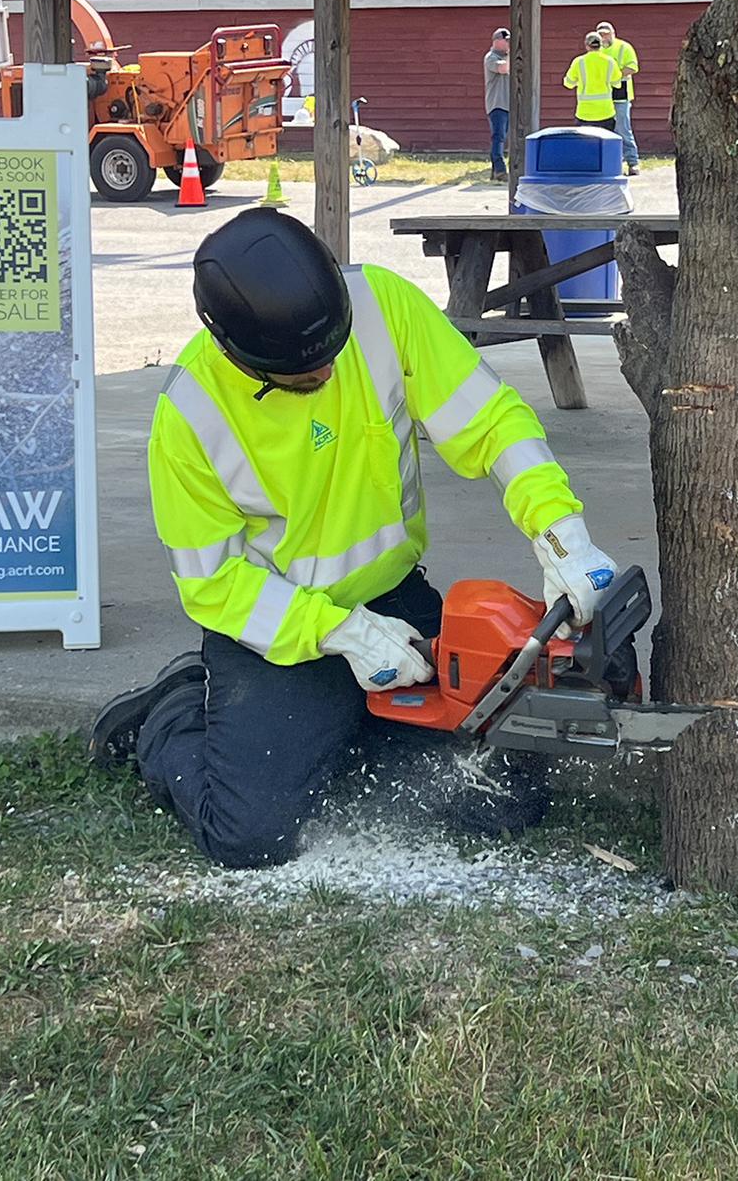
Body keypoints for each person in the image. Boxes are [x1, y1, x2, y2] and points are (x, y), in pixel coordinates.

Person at [89, 209, 626, 868]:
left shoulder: (380, 305)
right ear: (236, 352)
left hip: (393, 598)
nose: (327, 373)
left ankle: (341, 723)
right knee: (251, 835)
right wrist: (340, 634)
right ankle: (171, 713)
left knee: (500, 800)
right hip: (279, 632)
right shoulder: (190, 417)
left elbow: (490, 421)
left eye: (332, 352)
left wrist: (558, 527)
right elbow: (214, 583)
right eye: (304, 371)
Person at [595, 21, 640, 176]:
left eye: (606, 33)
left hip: (621, 94)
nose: (604, 37)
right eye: (601, 34)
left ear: (613, 33)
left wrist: (614, 75)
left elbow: (633, 68)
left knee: (622, 129)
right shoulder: (596, 51)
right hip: (602, 96)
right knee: (604, 130)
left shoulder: (623, 47)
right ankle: (610, 163)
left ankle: (632, 161)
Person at [563, 31, 620, 128]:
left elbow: (568, 83)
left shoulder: (578, 62)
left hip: (584, 113)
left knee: (585, 143)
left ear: (586, 45)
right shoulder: (610, 61)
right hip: (605, 112)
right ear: (601, 45)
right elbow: (617, 84)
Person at [483, 28, 511, 181]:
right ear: (497, 41)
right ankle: (499, 169)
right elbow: (503, 68)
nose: (508, 44)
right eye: (507, 41)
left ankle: (496, 172)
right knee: (498, 137)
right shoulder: (491, 57)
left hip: (509, 104)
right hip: (497, 104)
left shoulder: (508, 57)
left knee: (507, 136)